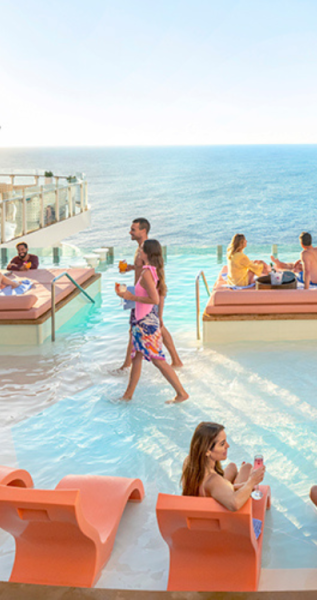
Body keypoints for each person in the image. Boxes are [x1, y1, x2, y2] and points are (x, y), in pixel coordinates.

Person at [115, 240, 188, 403]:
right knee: (137, 357)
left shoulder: (147, 273)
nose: (139, 252)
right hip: (142, 320)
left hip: (145, 323)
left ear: (147, 253)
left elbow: (154, 299)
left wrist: (130, 296)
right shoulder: (150, 270)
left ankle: (181, 393)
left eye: (141, 250)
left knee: (157, 360)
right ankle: (127, 395)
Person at [118, 218, 182, 369]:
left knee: (148, 327)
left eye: (133, 229)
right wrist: (131, 268)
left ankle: (127, 365)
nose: (130, 232)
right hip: (138, 293)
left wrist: (160, 307)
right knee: (137, 329)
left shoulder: (149, 250)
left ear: (143, 231)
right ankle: (175, 360)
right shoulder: (141, 250)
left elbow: (157, 278)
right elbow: (143, 269)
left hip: (144, 296)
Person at [181, 422, 266, 513]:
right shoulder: (212, 480)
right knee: (247, 468)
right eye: (222, 444)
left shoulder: (190, 462)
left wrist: (241, 485)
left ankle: (237, 480)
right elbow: (235, 504)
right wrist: (251, 481)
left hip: (200, 513)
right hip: (222, 520)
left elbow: (217, 490)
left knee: (232, 466)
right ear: (207, 451)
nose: (227, 446)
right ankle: (240, 478)